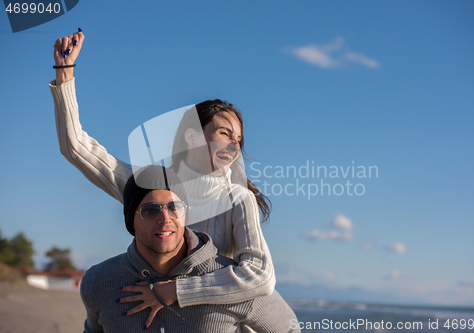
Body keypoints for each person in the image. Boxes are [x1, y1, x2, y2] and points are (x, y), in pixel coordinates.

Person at [49, 30, 275, 329]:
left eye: (238, 139)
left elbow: (260, 275)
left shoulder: (237, 199)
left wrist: (174, 291)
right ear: (192, 136)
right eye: (224, 133)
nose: (234, 146)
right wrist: (65, 74)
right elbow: (76, 148)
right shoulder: (149, 185)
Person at [80, 165, 299, 333]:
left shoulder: (232, 282)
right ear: (131, 220)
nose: (165, 219)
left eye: (174, 207)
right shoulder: (98, 281)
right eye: (150, 210)